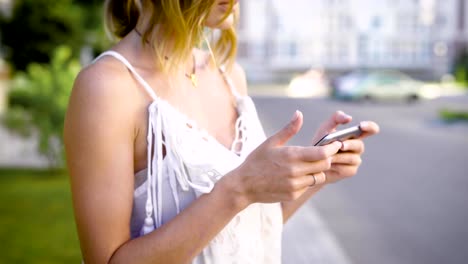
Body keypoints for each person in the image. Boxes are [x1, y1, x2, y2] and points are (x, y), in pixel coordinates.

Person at [63, 0, 380, 263]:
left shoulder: (230, 75)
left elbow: (244, 233)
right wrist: (238, 189)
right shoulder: (107, 88)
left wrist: (314, 172)